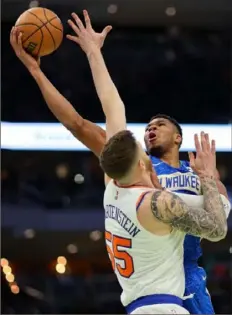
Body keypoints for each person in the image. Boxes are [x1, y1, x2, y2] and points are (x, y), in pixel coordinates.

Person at [10, 11, 230, 314]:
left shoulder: (113, 184)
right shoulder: (158, 201)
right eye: (142, 145)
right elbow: (217, 227)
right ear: (143, 164)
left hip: (147, 295)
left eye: (158, 127)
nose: (146, 139)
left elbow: (102, 111)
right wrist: (209, 178)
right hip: (169, 297)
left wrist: (81, 57)